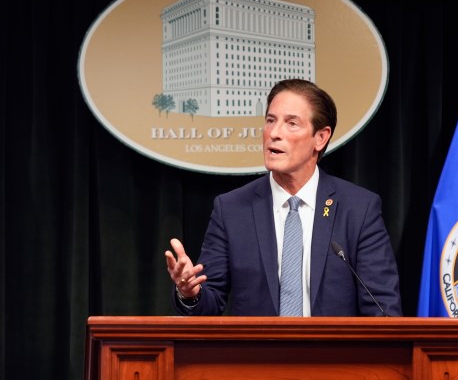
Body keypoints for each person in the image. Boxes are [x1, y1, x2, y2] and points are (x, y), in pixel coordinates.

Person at [165, 78, 402, 316]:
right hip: (258, 352)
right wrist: (190, 294)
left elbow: (383, 310)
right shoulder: (232, 209)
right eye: (270, 121)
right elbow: (210, 303)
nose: (274, 133)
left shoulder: (358, 209)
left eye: (291, 123)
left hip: (334, 353)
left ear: (320, 138)